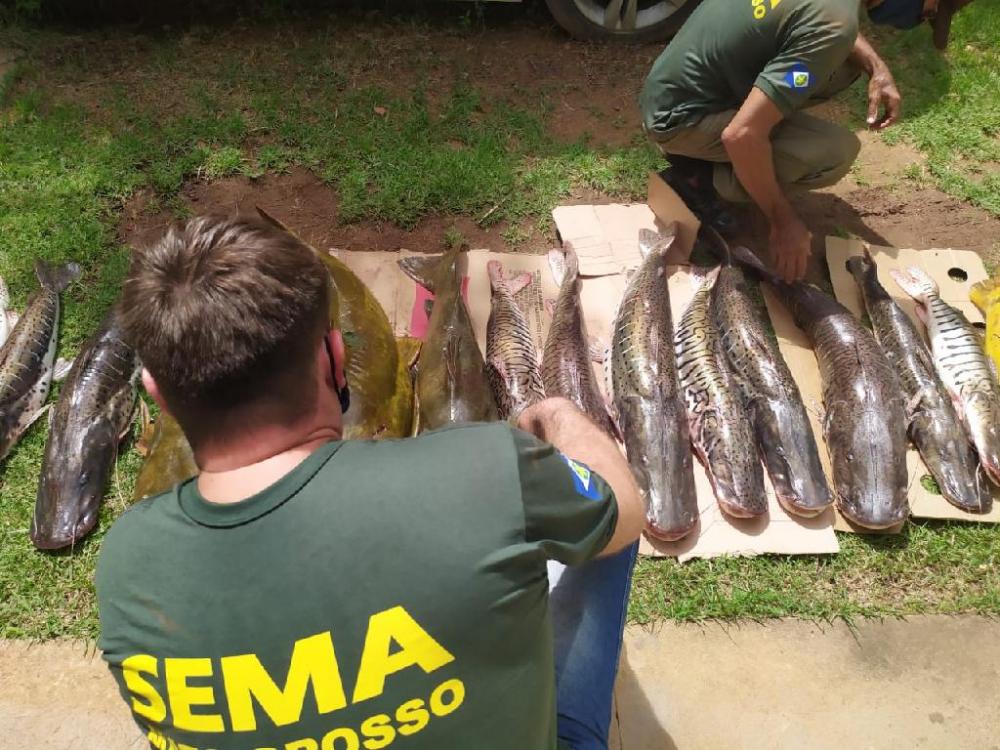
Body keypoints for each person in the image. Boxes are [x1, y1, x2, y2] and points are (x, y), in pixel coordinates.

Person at [96, 215, 646, 750]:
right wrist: (558, 415)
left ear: (157, 395)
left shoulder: (128, 566)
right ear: (336, 358)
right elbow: (627, 507)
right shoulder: (483, 471)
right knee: (598, 503)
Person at [641, 0, 974, 282]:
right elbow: (741, 135)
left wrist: (877, 67)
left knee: (838, 61)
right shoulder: (833, 25)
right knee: (834, 151)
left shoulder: (833, 14)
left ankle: (733, 139)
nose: (920, 20)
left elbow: (826, 23)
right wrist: (782, 220)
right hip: (679, 119)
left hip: (670, 85)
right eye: (929, 12)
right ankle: (701, 179)